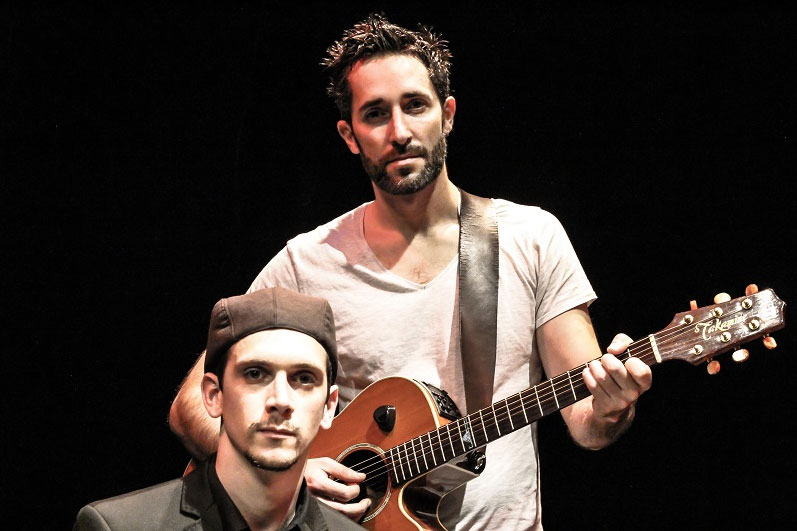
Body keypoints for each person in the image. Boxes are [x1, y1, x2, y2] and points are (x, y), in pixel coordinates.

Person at [169, 14, 652, 530]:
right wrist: (290, 470)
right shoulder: (307, 263)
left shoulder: (532, 238)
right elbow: (193, 407)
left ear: (447, 115)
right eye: (375, 114)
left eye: (415, 105)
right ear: (349, 135)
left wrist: (612, 407)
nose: (399, 132)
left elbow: (587, 424)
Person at [75, 287, 364, 531]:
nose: (280, 400)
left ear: (329, 406)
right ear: (214, 395)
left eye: (303, 379)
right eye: (255, 374)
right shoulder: (119, 526)